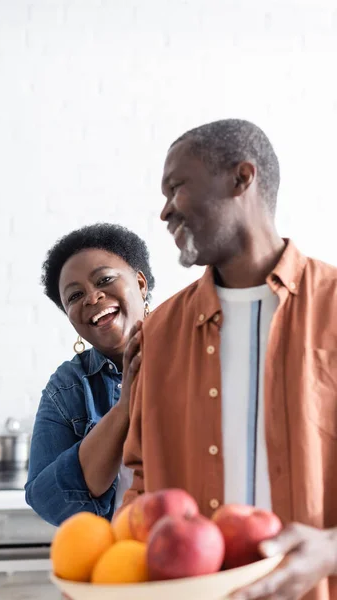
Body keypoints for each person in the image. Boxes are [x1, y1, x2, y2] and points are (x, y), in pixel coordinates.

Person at [122, 119, 337, 600]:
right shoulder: (158, 334)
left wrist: (329, 550)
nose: (163, 213)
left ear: (242, 178)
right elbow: (139, 480)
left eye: (176, 186)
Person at [25, 223, 155, 526]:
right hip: (118, 558)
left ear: (140, 283)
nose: (92, 298)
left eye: (105, 279)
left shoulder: (194, 347)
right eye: (74, 296)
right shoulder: (67, 387)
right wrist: (124, 408)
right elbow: (48, 501)